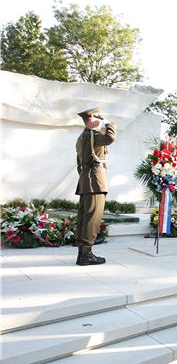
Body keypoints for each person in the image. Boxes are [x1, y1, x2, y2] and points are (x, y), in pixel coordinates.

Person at [75, 108, 116, 266]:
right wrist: (108, 123)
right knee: (93, 218)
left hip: (85, 181)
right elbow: (110, 138)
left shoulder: (80, 138)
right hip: (96, 182)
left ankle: (82, 253)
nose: (101, 121)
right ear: (92, 120)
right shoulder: (94, 136)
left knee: (84, 217)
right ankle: (87, 255)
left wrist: (84, 176)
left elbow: (79, 163)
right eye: (99, 118)